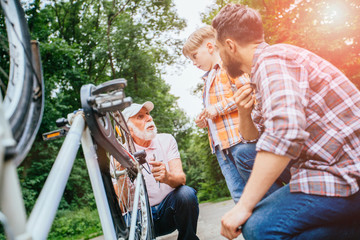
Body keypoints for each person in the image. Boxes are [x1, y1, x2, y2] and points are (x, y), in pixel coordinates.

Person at [212, 3, 360, 239]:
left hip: (347, 170)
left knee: (259, 226)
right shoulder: (264, 72)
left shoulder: (272, 61)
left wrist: (244, 206)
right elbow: (254, 140)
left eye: (219, 49)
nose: (220, 57)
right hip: (327, 163)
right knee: (245, 154)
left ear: (230, 45)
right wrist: (243, 113)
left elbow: (285, 132)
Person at [182, 25, 288, 203]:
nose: (193, 62)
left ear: (209, 47)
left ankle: (282, 219)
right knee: (239, 195)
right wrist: (206, 120)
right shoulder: (207, 80)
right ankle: (254, 227)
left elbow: (249, 91)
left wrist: (217, 108)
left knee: (264, 189)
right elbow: (216, 113)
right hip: (222, 149)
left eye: (194, 55)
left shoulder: (228, 67)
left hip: (241, 142)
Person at [113, 101, 199, 240]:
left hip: (168, 211)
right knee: (121, 221)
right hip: (140, 218)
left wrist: (167, 177)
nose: (149, 118)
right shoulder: (119, 154)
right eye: (140, 117)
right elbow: (122, 207)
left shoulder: (166, 140)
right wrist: (121, 173)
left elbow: (181, 179)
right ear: (128, 128)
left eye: (148, 114)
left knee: (186, 194)